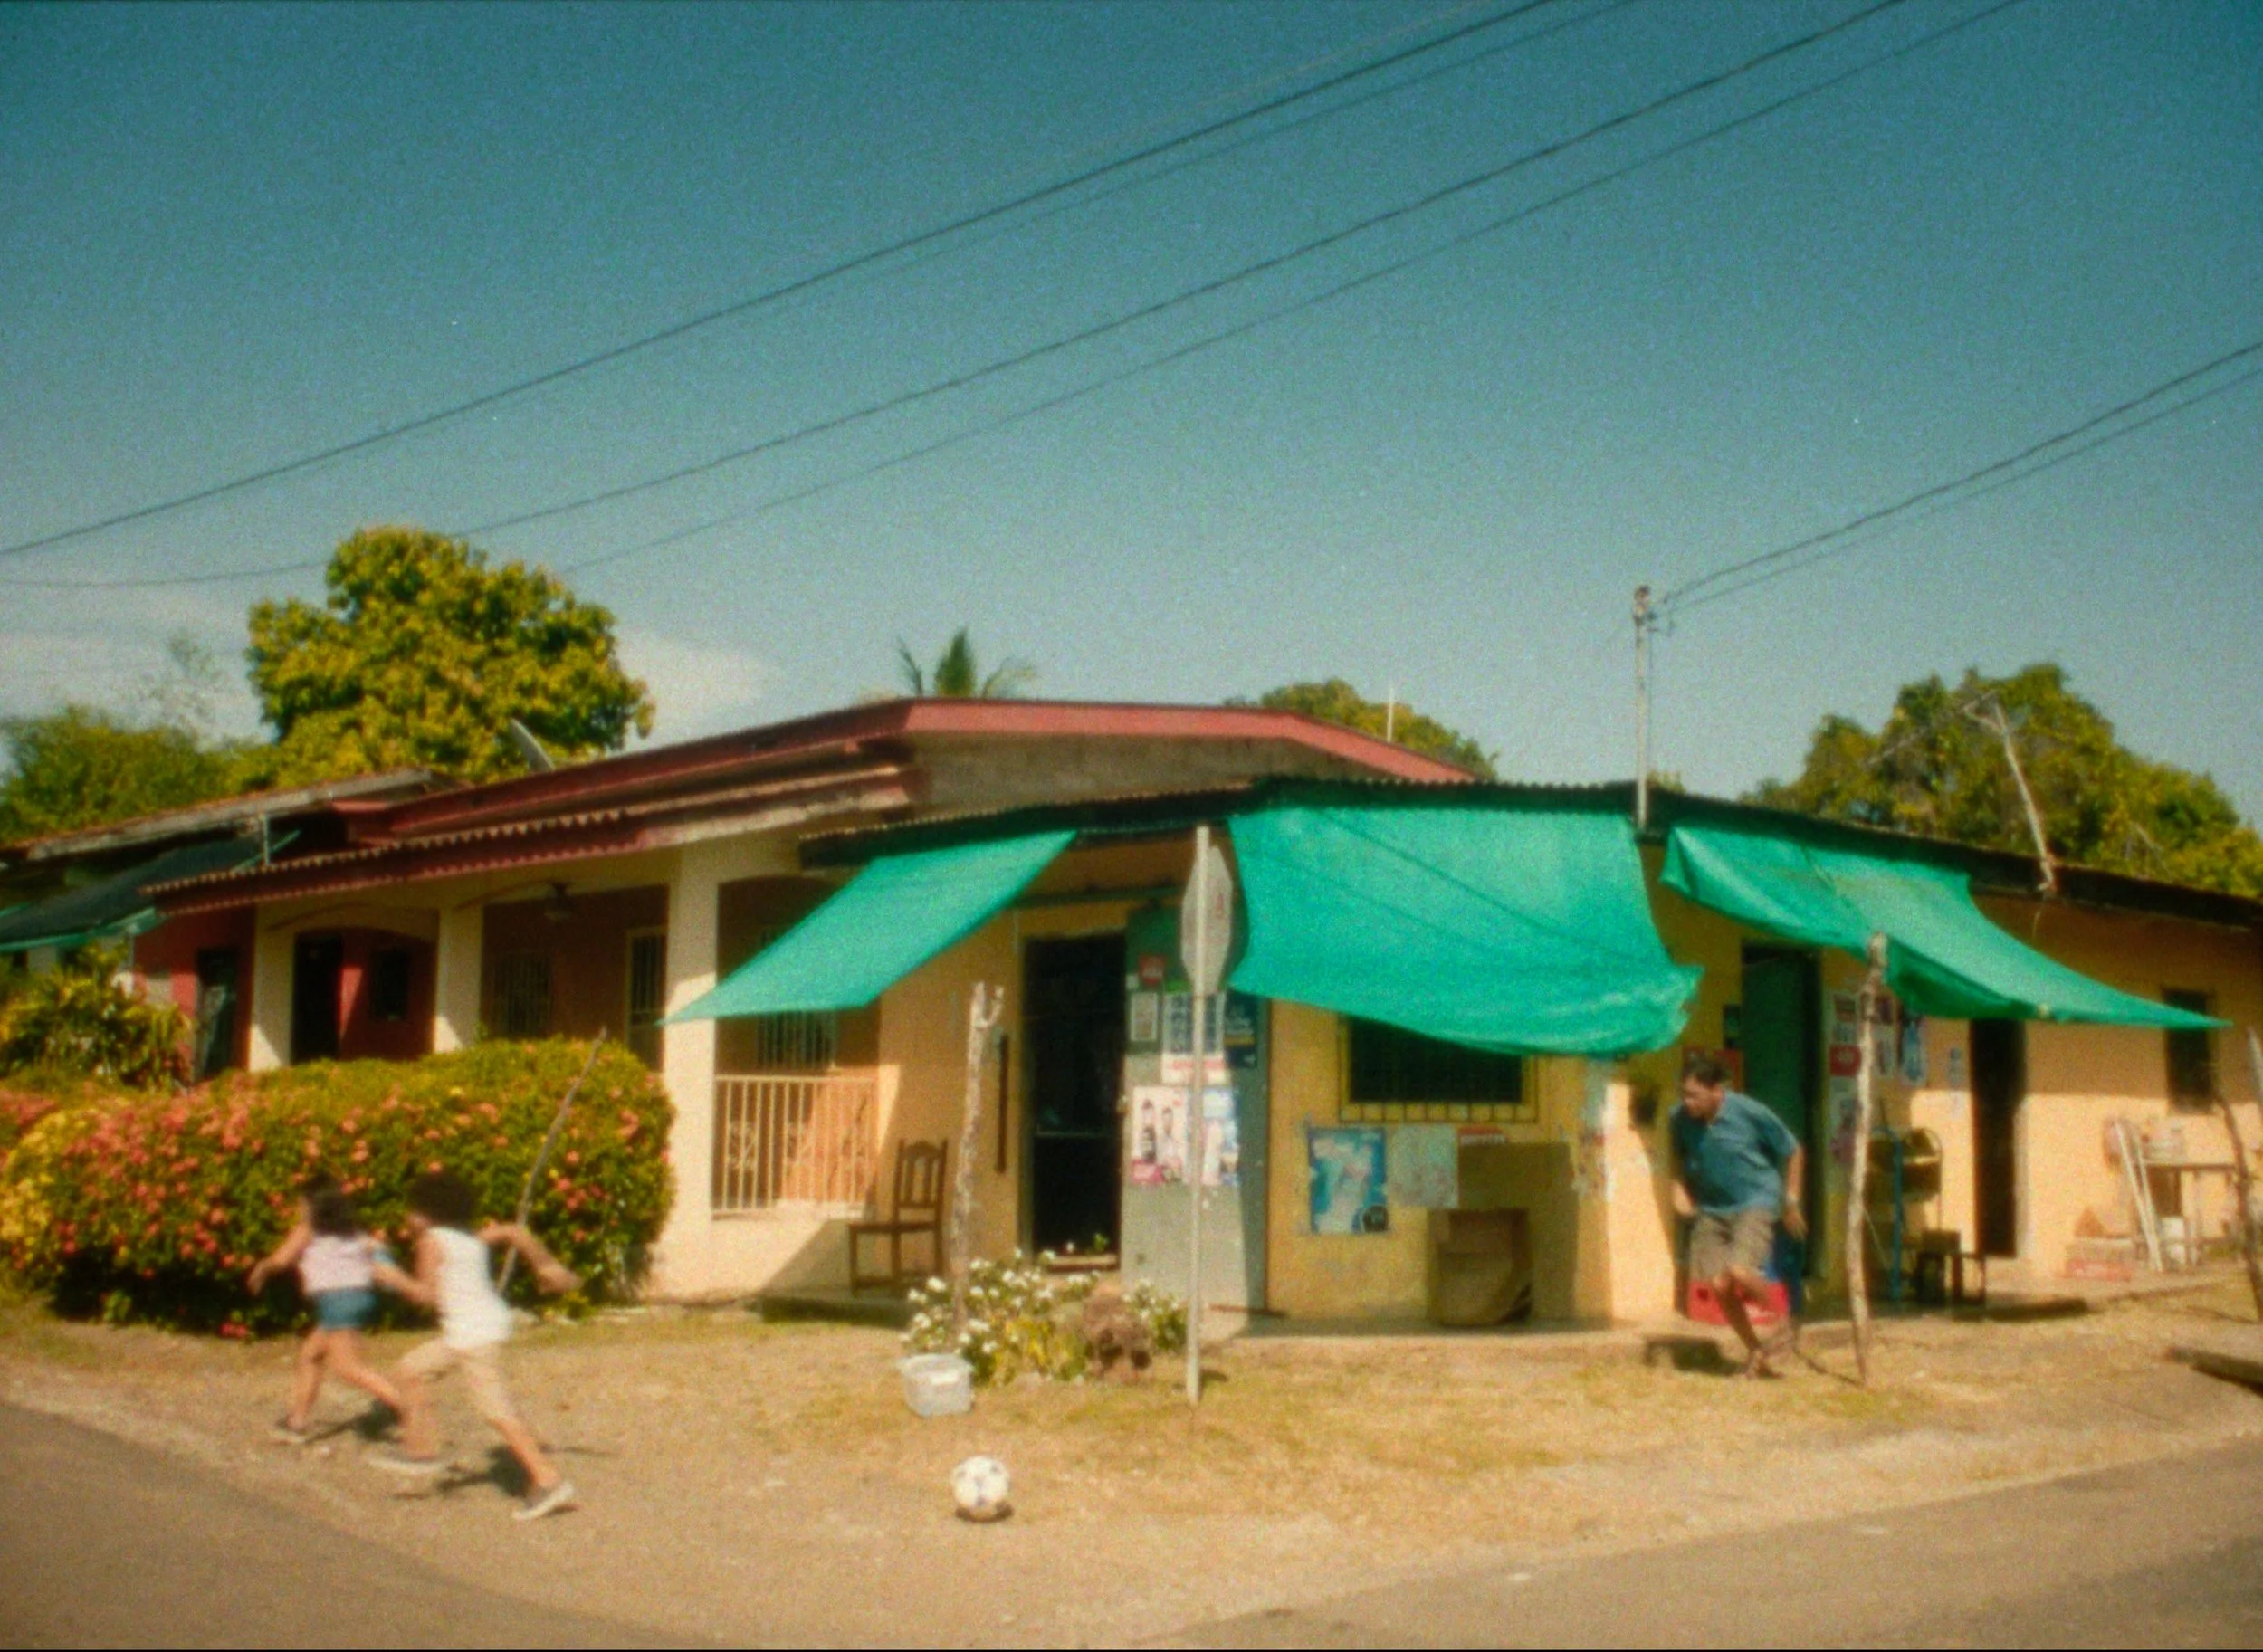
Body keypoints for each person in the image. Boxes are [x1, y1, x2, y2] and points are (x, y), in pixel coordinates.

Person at [370, 1170, 581, 1522]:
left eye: (412, 1210)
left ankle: (549, 1479)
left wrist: (393, 1278)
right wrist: (546, 1265)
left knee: (494, 1409)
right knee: (410, 1370)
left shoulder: (432, 1241)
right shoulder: (466, 1239)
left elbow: (427, 1296)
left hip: (473, 1334)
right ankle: (422, 1451)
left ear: (427, 1212)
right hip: (469, 1331)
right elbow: (511, 1232)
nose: (407, 1218)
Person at [1670, 1057, 1806, 1377]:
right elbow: (1677, 1156)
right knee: (1719, 1286)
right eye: (1684, 1094)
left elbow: (1793, 1149)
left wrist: (1791, 1200)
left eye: (1695, 1095)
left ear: (1717, 1091)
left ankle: (1783, 1322)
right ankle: (1756, 1350)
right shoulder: (1680, 1119)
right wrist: (1677, 1189)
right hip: (1713, 1209)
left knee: (1739, 1270)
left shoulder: (1747, 1111)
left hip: (1755, 1201)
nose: (1688, 1102)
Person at [247, 1177, 406, 1443]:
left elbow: (281, 1259)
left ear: (313, 1205)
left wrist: (262, 1268)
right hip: (358, 1298)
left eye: (301, 1203)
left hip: (337, 1301)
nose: (298, 1207)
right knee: (311, 1355)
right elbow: (377, 1249)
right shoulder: (350, 1230)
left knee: (348, 1368)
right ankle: (297, 1422)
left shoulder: (308, 1228)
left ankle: (409, 1410)